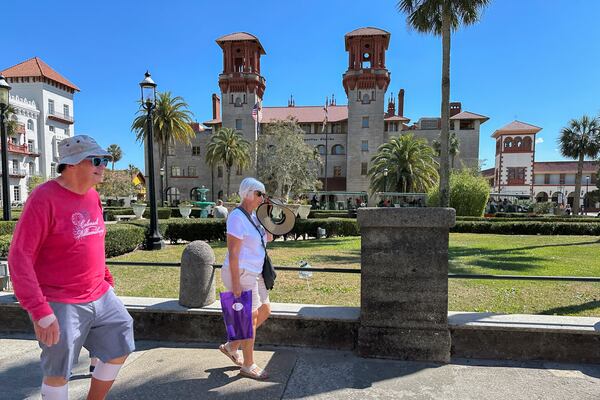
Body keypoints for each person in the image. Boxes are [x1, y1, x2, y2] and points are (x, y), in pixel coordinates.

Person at [8, 135, 135, 400]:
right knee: (58, 371)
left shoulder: (92, 196)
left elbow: (94, 239)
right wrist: (39, 310)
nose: (103, 166)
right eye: (97, 160)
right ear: (72, 164)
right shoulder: (43, 198)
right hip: (59, 299)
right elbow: (20, 256)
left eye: (105, 161)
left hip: (99, 293)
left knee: (122, 338)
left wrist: (105, 277)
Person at [219, 177, 272, 380]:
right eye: (260, 194)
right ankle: (248, 365)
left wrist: (266, 216)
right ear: (248, 193)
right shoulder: (236, 217)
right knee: (249, 318)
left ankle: (232, 345)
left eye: (263, 194)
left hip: (255, 272)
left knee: (265, 310)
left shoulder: (255, 217)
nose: (262, 198)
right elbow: (232, 254)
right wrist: (236, 285)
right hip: (241, 272)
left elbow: (269, 238)